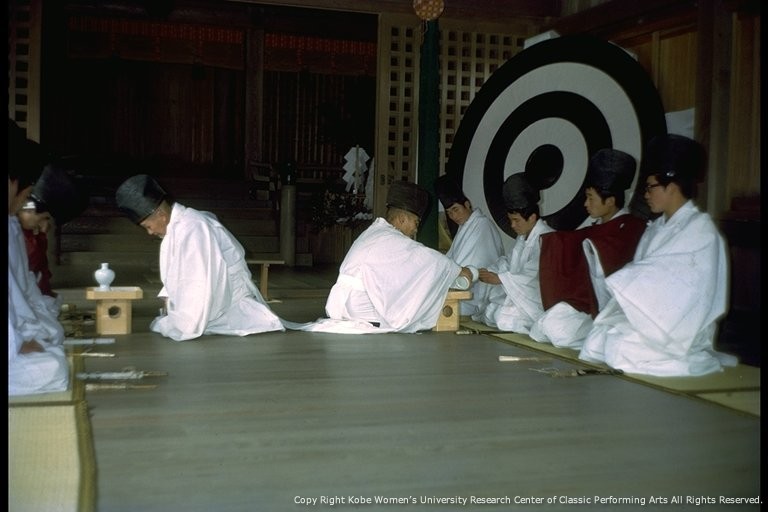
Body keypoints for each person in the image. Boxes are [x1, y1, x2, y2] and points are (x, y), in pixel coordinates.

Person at [579, 134, 736, 376]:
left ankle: (692, 359)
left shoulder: (700, 229)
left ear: (671, 187)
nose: (646, 194)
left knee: (619, 349)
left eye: (650, 187)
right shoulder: (656, 227)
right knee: (596, 342)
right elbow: (647, 271)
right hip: (652, 318)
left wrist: (626, 278)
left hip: (680, 326)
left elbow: (684, 287)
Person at [115, 174, 284, 341]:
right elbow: (177, 272)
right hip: (218, 290)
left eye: (148, 226)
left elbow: (199, 279)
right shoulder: (179, 225)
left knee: (179, 326)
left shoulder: (194, 227)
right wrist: (169, 296)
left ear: (161, 215)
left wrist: (185, 320)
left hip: (228, 295)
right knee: (171, 320)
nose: (150, 232)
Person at [308, 181, 474, 333]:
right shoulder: (391, 239)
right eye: (416, 223)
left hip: (341, 303)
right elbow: (430, 260)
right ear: (402, 219)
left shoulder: (376, 232)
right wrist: (459, 270)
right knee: (409, 306)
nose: (416, 230)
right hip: (358, 306)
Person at [529, 149, 646, 348]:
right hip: (584, 304)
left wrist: (593, 247)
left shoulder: (632, 228)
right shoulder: (598, 227)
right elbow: (576, 241)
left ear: (610, 201)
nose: (586, 203)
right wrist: (553, 241)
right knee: (541, 328)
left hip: (613, 310)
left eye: (591, 198)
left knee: (557, 330)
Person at [8, 120, 69, 395]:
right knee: (54, 368)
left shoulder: (11, 224)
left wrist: (25, 334)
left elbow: (22, 289)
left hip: (15, 331)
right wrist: (17, 343)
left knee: (51, 347)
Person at [471, 173, 554, 333]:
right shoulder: (522, 238)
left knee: (500, 317)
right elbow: (508, 262)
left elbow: (533, 276)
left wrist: (501, 278)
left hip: (536, 300)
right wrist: (490, 271)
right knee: (490, 311)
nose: (513, 225)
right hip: (519, 296)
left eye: (516, 220)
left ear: (532, 217)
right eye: (511, 220)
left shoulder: (547, 238)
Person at [17, 164, 89, 298]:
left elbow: (42, 273)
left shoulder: (35, 235)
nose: (44, 226)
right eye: (44, 218)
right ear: (28, 207)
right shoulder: (16, 233)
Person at [435, 175, 504, 315]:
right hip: (462, 288)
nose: (453, 216)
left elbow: (468, 266)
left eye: (455, 209)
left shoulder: (482, 225)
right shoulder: (465, 226)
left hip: (476, 294)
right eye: (449, 213)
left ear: (467, 204)